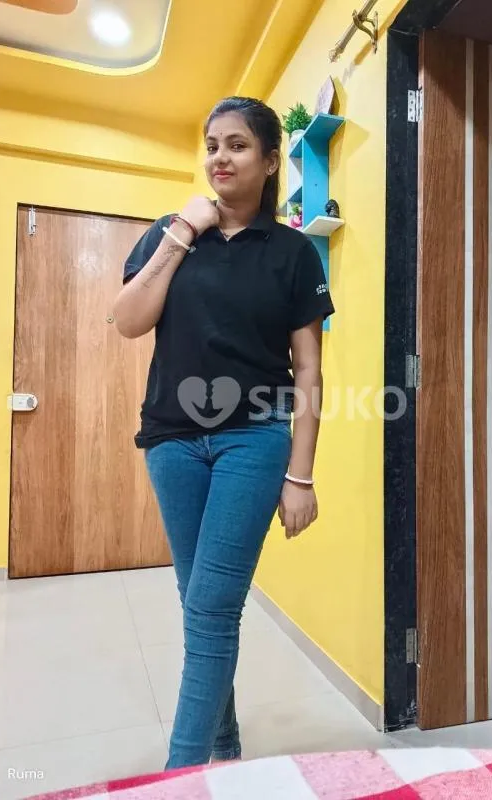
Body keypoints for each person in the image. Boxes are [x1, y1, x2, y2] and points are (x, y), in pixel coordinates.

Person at [113, 96, 334, 769]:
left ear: (269, 160)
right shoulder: (170, 232)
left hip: (255, 439)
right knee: (201, 602)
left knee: (211, 607)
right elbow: (128, 321)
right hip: (171, 442)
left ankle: (181, 775)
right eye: (212, 145)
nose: (220, 158)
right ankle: (226, 745)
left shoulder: (294, 252)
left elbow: (308, 368)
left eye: (237, 145)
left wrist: (301, 475)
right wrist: (183, 231)